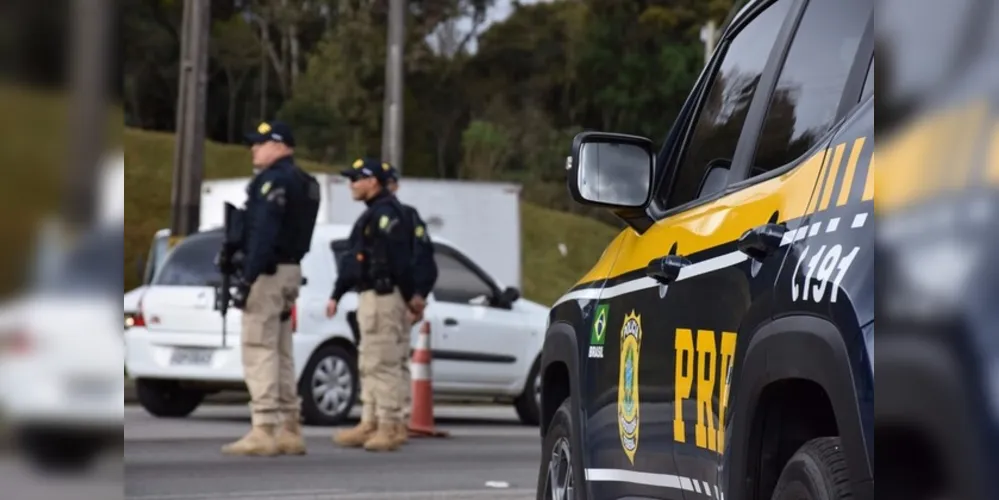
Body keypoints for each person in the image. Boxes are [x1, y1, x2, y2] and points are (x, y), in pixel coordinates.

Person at [221, 121, 320, 457]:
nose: (254, 149)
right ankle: (290, 427)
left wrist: (247, 277)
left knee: (258, 347)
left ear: (279, 146)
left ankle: (263, 427)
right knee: (281, 350)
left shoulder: (272, 181)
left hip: (268, 270)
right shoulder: (306, 182)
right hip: (291, 268)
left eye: (260, 143)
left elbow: (263, 232)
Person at [325, 158, 423, 452]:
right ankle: (370, 420)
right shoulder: (371, 215)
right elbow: (353, 261)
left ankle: (390, 425)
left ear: (373, 182)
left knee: (384, 363)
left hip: (384, 297)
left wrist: (411, 298)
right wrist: (337, 293)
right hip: (369, 296)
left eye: (357, 178)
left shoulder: (388, 216)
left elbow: (400, 262)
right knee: (369, 362)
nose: (352, 184)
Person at [383, 163, 438, 443]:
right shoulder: (384, 215)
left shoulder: (406, 217)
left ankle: (397, 418)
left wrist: (417, 295)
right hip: (391, 295)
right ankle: (394, 418)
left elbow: (422, 259)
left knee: (393, 360)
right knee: (391, 360)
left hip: (400, 298)